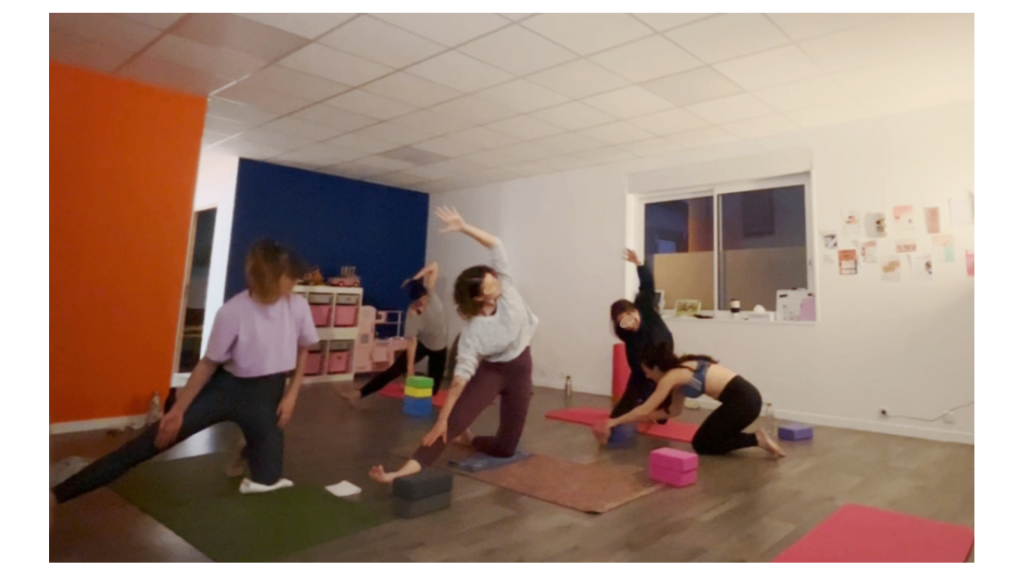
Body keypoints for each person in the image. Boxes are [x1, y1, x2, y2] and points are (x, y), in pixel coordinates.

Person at [51, 240, 320, 506]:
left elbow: (304, 349)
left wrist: (292, 394)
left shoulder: (296, 306)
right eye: (289, 277)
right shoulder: (232, 312)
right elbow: (207, 364)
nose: (293, 283)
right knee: (149, 443)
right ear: (268, 278)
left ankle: (247, 446)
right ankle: (57, 496)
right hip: (226, 389)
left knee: (268, 481)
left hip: (267, 394)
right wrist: (177, 411)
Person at [370, 207, 539, 484]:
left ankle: (471, 439)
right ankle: (400, 473)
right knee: (451, 423)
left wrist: (463, 227)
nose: (495, 283)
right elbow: (459, 382)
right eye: (488, 284)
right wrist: (441, 420)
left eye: (492, 278)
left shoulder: (506, 287)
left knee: (506, 448)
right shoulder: (474, 333)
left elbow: (495, 244)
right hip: (494, 371)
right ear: (479, 297)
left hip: (522, 367)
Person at [596, 342, 786, 458]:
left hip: (745, 402)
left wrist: (613, 422)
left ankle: (756, 439)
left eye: (647, 372)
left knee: (703, 444)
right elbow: (672, 412)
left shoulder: (673, 376)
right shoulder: (678, 376)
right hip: (744, 401)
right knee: (704, 442)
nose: (647, 377)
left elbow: (646, 408)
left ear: (655, 368)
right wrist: (636, 419)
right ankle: (755, 439)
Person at [342, 263, 448, 404]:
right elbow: (412, 341)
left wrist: (413, 279)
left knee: (434, 390)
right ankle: (360, 394)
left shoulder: (431, 294)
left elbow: (434, 266)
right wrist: (410, 370)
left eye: (423, 300)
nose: (421, 304)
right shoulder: (412, 313)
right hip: (422, 344)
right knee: (394, 370)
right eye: (417, 302)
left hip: (440, 347)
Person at [605, 250, 676, 430]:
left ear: (635, 310)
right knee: (633, 394)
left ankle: (650, 399)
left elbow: (647, 285)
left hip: (664, 359)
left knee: (662, 417)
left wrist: (639, 264)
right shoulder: (630, 340)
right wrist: (612, 421)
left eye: (631, 315)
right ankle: (618, 418)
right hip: (645, 368)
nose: (631, 322)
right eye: (624, 321)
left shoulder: (644, 307)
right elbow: (636, 376)